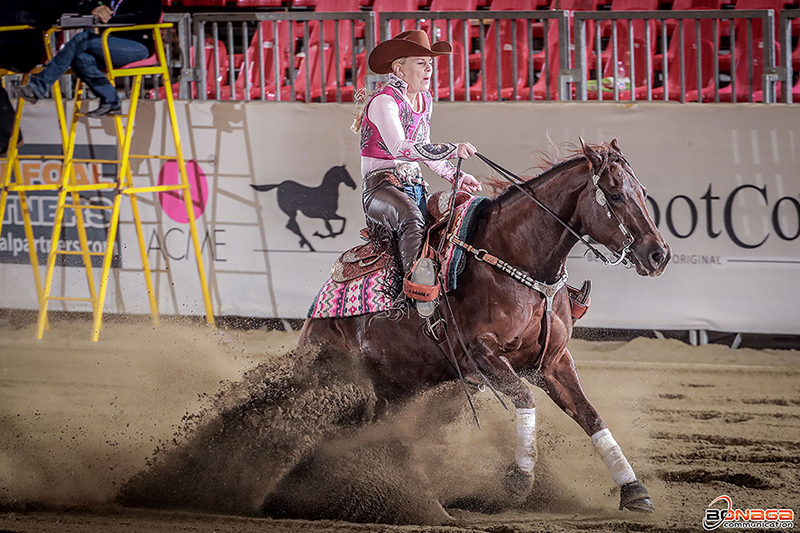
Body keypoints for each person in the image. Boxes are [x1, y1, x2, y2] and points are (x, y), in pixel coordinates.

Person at [352, 29, 481, 317]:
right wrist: (451, 149)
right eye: (421, 63)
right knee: (412, 218)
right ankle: (414, 296)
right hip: (380, 189)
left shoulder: (425, 100)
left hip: (413, 186)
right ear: (400, 68)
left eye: (431, 64)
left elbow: (421, 149)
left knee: (462, 213)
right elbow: (400, 148)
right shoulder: (384, 102)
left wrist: (456, 177)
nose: (429, 69)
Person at [17, 0, 161, 117]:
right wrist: (94, 9)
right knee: (80, 59)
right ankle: (111, 100)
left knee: (82, 39)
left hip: (136, 47)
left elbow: (149, 16)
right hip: (109, 44)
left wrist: (110, 20)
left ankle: (39, 87)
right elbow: (79, 4)